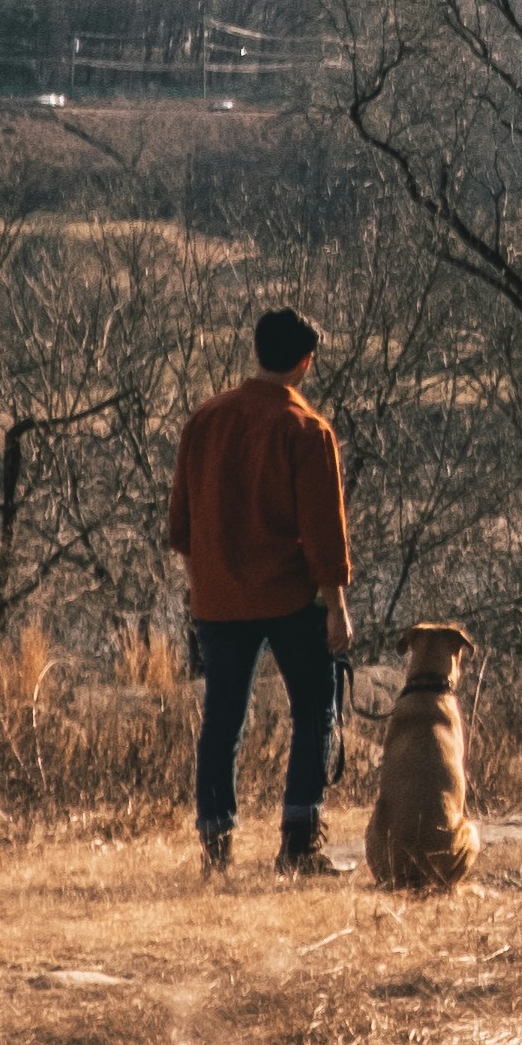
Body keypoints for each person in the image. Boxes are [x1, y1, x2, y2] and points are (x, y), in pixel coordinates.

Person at [167, 306, 356, 877]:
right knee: (315, 709)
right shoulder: (306, 429)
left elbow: (180, 527)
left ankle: (215, 845)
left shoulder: (205, 418)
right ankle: (299, 842)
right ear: (305, 361)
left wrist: (214, 571)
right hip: (290, 599)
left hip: (220, 599)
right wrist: (338, 610)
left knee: (223, 720)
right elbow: (325, 535)